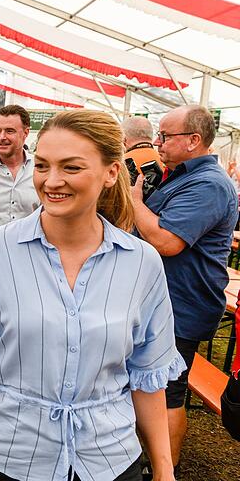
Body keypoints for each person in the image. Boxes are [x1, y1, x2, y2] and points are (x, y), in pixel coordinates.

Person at [0, 110, 183, 481]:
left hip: (106, 460)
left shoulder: (142, 263)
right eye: (43, 166)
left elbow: (148, 375)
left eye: (72, 168)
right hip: (7, 456)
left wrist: (163, 467)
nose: (52, 181)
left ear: (111, 172)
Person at [132, 104, 238, 473]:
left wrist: (133, 203)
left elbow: (166, 241)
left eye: (165, 136)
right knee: (151, 386)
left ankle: (164, 470)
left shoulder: (209, 184)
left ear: (194, 141)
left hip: (182, 306)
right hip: (163, 301)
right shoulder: (180, 175)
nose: (157, 142)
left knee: (167, 393)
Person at [0, 104, 40, 232]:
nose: (2, 137)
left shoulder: (40, 168)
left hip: (29, 250)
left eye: (9, 131)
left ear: (25, 133)